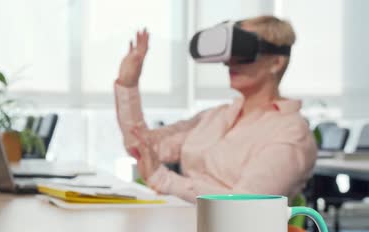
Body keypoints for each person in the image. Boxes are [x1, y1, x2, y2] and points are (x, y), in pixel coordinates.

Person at [114, 16, 316, 214]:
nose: (231, 62)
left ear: (276, 63)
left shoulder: (291, 132)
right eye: (229, 53)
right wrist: (127, 85)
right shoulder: (214, 117)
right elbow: (140, 146)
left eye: (242, 50)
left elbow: (247, 206)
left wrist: (165, 180)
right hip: (180, 226)